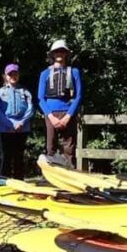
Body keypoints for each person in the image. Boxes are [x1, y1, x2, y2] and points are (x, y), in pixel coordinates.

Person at [37, 39, 83, 168]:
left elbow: (78, 96)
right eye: (56, 51)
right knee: (50, 147)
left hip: (68, 113)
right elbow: (40, 98)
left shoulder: (74, 72)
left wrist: (68, 116)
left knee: (69, 147)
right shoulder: (45, 74)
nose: (59, 54)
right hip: (51, 114)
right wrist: (50, 116)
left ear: (66, 54)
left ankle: (70, 174)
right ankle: (51, 176)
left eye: (62, 51)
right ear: (52, 54)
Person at [0, 63, 34, 179]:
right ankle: (4, 181)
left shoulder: (25, 92)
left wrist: (21, 122)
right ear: (5, 76)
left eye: (15, 74)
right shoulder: (0, 93)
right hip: (5, 129)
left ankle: (19, 181)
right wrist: (11, 124)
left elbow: (30, 109)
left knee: (19, 156)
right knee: (6, 156)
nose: (13, 76)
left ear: (19, 75)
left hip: (22, 129)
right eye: (10, 74)